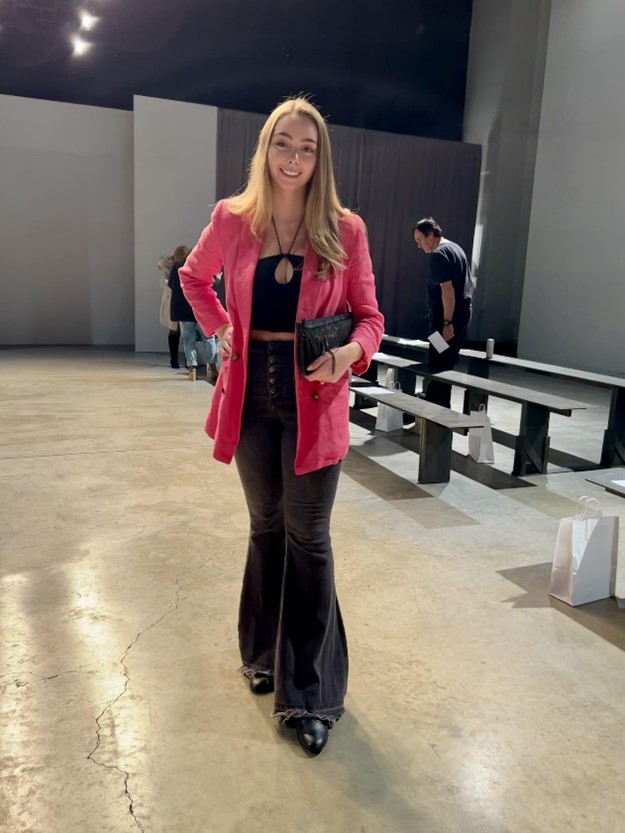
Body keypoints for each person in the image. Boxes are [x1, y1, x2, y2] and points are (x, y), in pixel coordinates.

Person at [179, 97, 384, 756]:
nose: (293, 159)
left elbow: (369, 318)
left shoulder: (344, 229)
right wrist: (221, 331)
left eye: (307, 148)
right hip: (251, 393)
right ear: (265, 149)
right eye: (283, 144)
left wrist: (350, 354)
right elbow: (193, 278)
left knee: (310, 537)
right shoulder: (232, 219)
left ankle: (311, 692)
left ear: (320, 159)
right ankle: (262, 656)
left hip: (315, 396)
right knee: (266, 526)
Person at [413, 217, 474, 408]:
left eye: (420, 239)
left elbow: (447, 292)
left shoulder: (439, 255)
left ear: (431, 234)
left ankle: (437, 408)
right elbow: (470, 285)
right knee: (444, 363)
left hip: (444, 323)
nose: (419, 245)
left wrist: (447, 324)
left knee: (439, 364)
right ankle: (435, 402)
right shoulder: (457, 249)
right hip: (460, 318)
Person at [168, 245, 220, 382]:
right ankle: (212, 367)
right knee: (208, 337)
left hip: (183, 309)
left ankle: (192, 369)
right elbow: (213, 285)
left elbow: (171, 285)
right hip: (202, 308)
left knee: (188, 339)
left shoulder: (178, 266)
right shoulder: (204, 265)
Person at [158, 254, 180, 368]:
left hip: (184, 302)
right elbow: (164, 283)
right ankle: (174, 359)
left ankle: (189, 361)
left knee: (187, 334)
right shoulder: (169, 268)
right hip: (173, 301)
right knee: (174, 331)